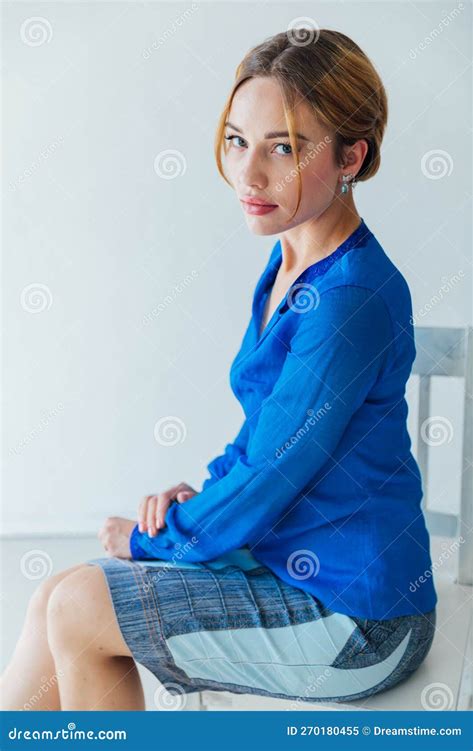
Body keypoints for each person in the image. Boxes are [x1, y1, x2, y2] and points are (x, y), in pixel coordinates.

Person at [0, 28, 437, 711]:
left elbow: (270, 475)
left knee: (81, 607)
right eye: (238, 140)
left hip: (360, 619)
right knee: (55, 593)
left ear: (352, 155)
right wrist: (198, 504)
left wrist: (153, 539)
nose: (248, 174)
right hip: (287, 559)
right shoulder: (289, 263)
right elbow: (264, 439)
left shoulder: (347, 300)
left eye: (284, 148)